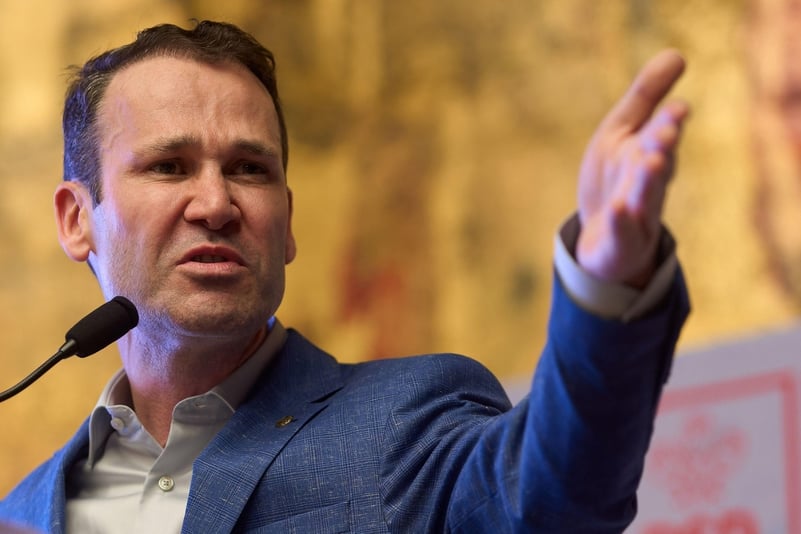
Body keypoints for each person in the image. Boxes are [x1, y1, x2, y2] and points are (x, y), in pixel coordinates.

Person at [0, 20, 690, 533]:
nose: (216, 204)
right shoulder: (25, 509)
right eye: (169, 166)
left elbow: (549, 497)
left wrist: (606, 281)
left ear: (286, 222)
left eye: (249, 169)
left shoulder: (407, 421)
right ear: (76, 220)